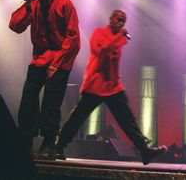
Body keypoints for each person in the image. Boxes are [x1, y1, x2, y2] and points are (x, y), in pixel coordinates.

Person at [54, 10, 167, 165]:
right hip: (95, 85)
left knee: (128, 120)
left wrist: (118, 82)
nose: (121, 24)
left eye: (123, 21)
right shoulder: (99, 33)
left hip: (113, 87)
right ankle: (59, 146)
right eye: (119, 20)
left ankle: (144, 150)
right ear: (111, 19)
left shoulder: (118, 39)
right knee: (77, 118)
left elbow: (112, 64)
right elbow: (103, 52)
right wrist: (118, 37)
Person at [9, 0, 80, 159]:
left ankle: (50, 143)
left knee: (51, 101)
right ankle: (25, 140)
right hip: (40, 59)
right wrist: (27, 3)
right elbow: (15, 26)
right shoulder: (33, 5)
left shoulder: (65, 4)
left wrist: (57, 63)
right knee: (28, 98)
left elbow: (73, 38)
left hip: (60, 59)